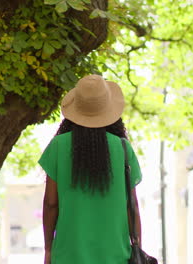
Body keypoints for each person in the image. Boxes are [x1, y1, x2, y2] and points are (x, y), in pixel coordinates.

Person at [38, 74, 143, 264]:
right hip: (116, 257)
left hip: (67, 256)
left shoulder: (58, 146)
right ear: (108, 109)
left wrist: (48, 248)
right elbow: (132, 206)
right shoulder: (122, 148)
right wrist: (138, 248)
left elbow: (51, 204)